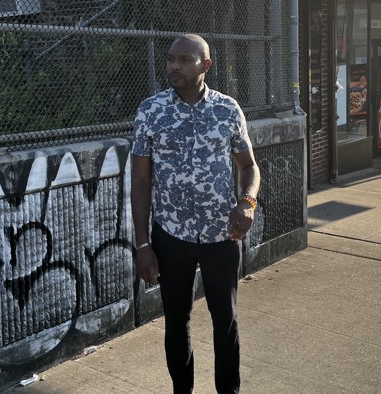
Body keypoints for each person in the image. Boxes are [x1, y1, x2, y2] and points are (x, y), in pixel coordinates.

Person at [130, 34, 260, 394]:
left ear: (205, 65)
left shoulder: (228, 110)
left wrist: (247, 202)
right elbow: (140, 181)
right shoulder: (150, 111)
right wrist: (143, 244)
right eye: (171, 59)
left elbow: (249, 167)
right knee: (176, 321)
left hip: (222, 234)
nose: (174, 66)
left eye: (184, 60)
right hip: (171, 236)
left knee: (225, 320)